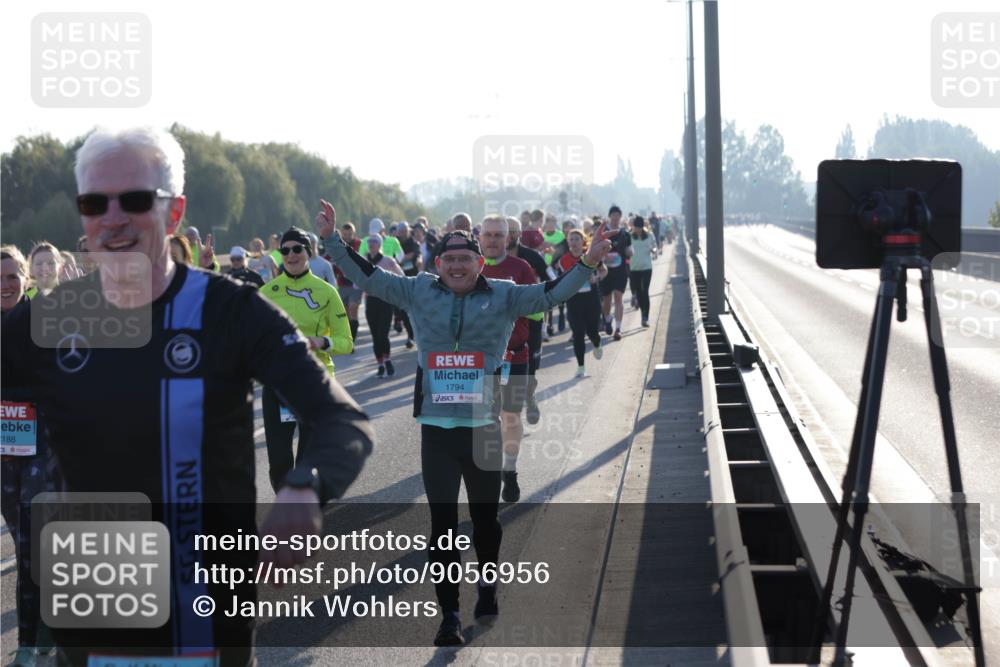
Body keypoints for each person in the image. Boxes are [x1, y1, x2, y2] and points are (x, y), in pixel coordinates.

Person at [1, 127, 374, 666]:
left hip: (204, 619)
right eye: (93, 203)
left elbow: (344, 420)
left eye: (133, 200)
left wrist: (304, 489)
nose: (112, 218)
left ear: (174, 214)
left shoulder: (231, 311)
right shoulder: (46, 320)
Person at [316, 198, 616, 646]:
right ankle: (449, 616)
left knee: (487, 522)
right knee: (442, 527)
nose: (457, 267)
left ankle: (489, 584)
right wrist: (330, 242)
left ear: (480, 263)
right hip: (437, 432)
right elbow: (370, 278)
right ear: (439, 264)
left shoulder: (505, 293)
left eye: (466, 260)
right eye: (450, 260)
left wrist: (587, 265)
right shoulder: (418, 289)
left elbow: (551, 295)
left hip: (485, 430)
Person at [1, 245, 61, 667]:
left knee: (35, 540)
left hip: (42, 443)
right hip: (3, 451)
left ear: (25, 278)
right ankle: (38, 630)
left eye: (11, 277)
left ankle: (33, 637)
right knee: (26, 546)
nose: (5, 285)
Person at [261, 226, 355, 491]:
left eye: (296, 249)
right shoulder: (267, 292)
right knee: (279, 461)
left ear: (308, 251)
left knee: (308, 460)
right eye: (285, 250)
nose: (291, 255)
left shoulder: (326, 291)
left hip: (316, 382)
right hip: (279, 386)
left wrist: (322, 342)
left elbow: (346, 343)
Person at [478, 216, 537, 504]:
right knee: (485, 420)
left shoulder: (521, 268)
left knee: (510, 416)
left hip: (515, 355)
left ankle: (509, 471)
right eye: (487, 234)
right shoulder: (466, 266)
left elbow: (537, 310)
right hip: (478, 360)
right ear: (479, 237)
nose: (492, 240)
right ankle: (487, 479)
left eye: (498, 235)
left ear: (508, 238)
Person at [505, 217, 548, 424]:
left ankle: (529, 397)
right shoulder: (489, 258)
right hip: (503, 324)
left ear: (519, 234)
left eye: (513, 231)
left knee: (530, 366)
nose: (509, 235)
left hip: (531, 322)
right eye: (506, 231)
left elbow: (551, 279)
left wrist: (543, 294)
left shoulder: (531, 257)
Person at [559, 230, 607, 377]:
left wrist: (596, 277)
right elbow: (560, 279)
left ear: (582, 241)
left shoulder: (591, 255)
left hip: (591, 298)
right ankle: (581, 367)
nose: (573, 242)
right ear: (568, 242)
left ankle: (597, 344)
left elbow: (604, 271)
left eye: (576, 239)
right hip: (573, 300)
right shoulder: (563, 260)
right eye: (571, 239)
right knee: (578, 332)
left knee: (592, 331)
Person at [361, 235, 404, 377]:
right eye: (370, 242)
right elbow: (356, 281)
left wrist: (392, 286)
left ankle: (387, 360)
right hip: (371, 301)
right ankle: (380, 364)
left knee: (383, 334)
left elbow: (401, 275)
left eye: (375, 242)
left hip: (385, 301)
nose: (372, 244)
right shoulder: (363, 261)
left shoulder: (388, 261)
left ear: (380, 245)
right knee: (375, 335)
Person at [328, 222, 363, 347]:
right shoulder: (337, 244)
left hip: (355, 283)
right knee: (346, 313)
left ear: (354, 234)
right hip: (342, 284)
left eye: (350, 234)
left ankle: (352, 340)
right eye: (345, 234)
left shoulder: (359, 244)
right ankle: (348, 338)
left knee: (353, 308)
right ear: (341, 234)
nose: (347, 236)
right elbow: (328, 258)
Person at [600, 205, 632, 341]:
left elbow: (630, 250)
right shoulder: (602, 233)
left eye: (617, 214)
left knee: (618, 297)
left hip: (620, 271)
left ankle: (618, 329)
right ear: (609, 216)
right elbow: (596, 250)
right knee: (606, 300)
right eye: (613, 214)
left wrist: (629, 252)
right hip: (605, 271)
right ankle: (607, 320)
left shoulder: (625, 233)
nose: (615, 217)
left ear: (620, 217)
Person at [628, 216, 657, 327]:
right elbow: (625, 249)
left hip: (646, 268)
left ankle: (645, 317)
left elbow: (655, 247)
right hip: (634, 268)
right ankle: (642, 313)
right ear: (633, 226)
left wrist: (653, 250)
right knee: (639, 293)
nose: (638, 229)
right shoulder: (629, 236)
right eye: (636, 227)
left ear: (643, 226)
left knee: (645, 292)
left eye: (640, 227)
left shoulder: (649, 235)